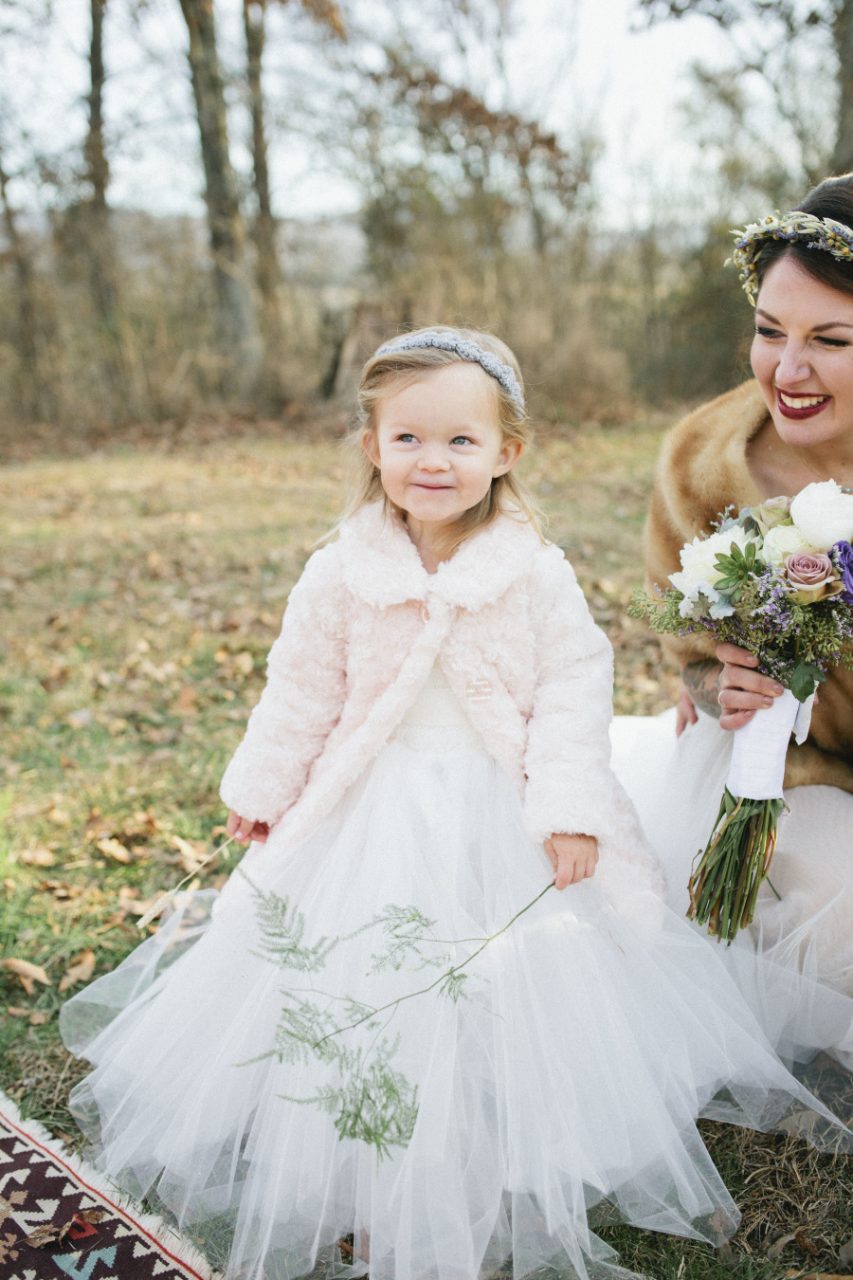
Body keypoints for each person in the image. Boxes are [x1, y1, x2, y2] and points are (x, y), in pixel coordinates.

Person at [61, 326, 844, 1280]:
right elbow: (299, 689)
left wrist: (565, 808)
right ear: (371, 447)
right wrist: (263, 786)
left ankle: (500, 1119)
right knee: (351, 971)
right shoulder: (341, 570)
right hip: (369, 806)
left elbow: (570, 693)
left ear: (506, 452)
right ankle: (349, 1136)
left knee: (502, 976)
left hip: (496, 805)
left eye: (461, 442)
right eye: (409, 440)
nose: (433, 461)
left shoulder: (532, 573)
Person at [611, 176, 853, 1069]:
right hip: (785, 774)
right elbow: (692, 665)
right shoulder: (701, 462)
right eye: (768, 331)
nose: (786, 373)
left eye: (829, 341)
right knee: (836, 903)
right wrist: (722, 685)